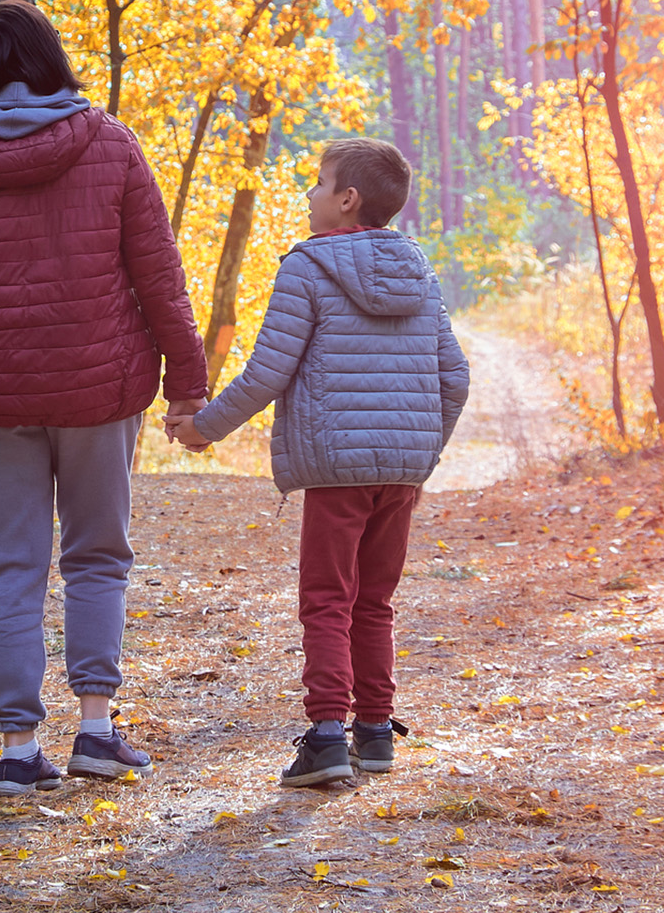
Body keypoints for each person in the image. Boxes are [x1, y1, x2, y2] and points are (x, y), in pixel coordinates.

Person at [0, 0, 209, 797]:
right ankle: (97, 728)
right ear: (53, 61)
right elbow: (158, 275)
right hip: (102, 392)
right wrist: (186, 382)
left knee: (8, 568)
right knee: (98, 554)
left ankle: (18, 746)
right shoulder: (110, 144)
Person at [164, 137, 468, 787]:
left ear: (346, 199)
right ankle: (375, 731)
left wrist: (202, 429)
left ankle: (328, 734)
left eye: (318, 182)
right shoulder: (420, 268)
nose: (309, 193)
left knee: (327, 599)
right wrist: (422, 447)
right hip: (401, 472)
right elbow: (456, 377)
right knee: (375, 600)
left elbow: (268, 371)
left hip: (336, 470)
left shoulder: (308, 266)